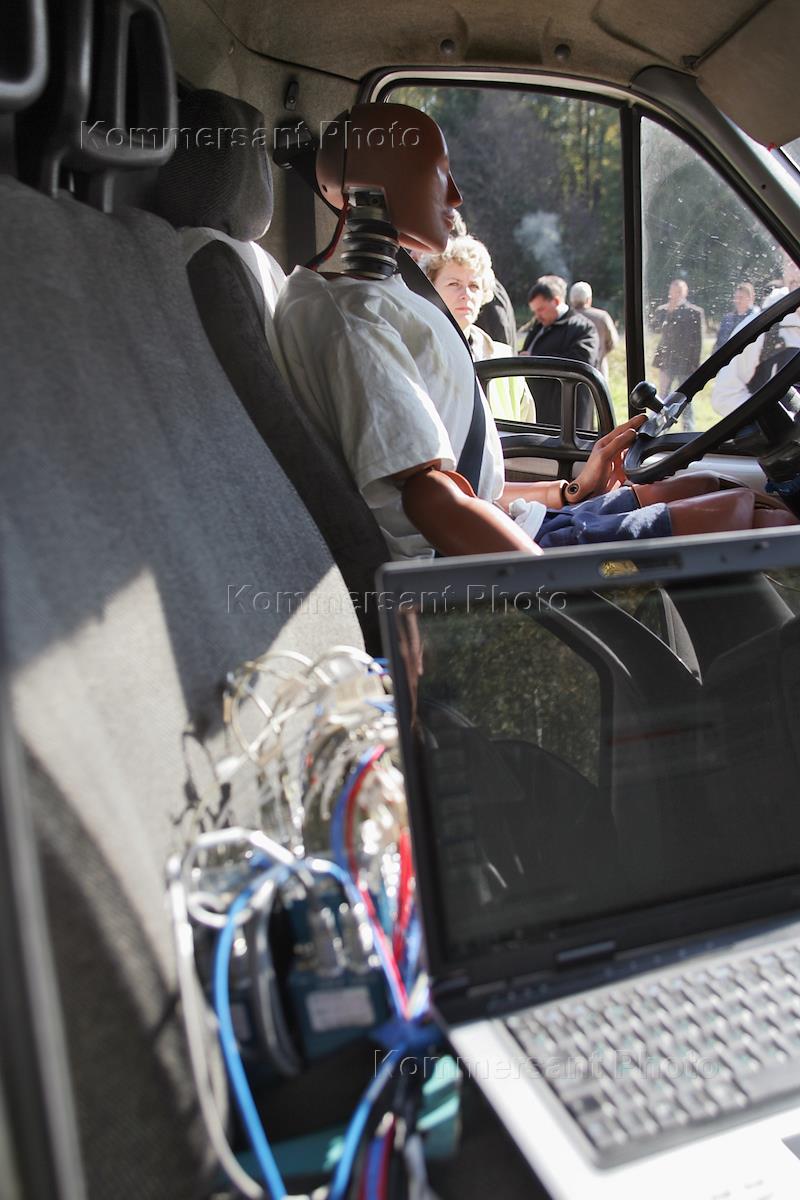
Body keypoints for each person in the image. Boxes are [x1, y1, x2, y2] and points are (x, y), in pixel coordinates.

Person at [273, 102, 793, 562]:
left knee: (709, 484)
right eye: (440, 173)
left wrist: (573, 490)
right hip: (469, 567)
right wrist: (545, 592)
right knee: (744, 514)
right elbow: (430, 502)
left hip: (514, 524)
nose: (455, 195)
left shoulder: (381, 298)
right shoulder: (353, 318)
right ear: (380, 183)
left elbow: (466, 491)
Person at [421, 234, 535, 422]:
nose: (466, 294)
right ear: (430, 288)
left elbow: (527, 427)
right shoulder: (413, 350)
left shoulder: (504, 357)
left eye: (474, 286)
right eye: (454, 284)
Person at [519, 276, 599, 426]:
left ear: (556, 301)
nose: (537, 316)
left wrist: (535, 359)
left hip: (567, 418)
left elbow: (580, 363)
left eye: (541, 309)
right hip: (539, 413)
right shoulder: (538, 327)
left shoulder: (583, 328)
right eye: (535, 311)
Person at [652, 279, 705, 431]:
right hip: (667, 361)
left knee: (686, 399)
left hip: (686, 363)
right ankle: (659, 429)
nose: (675, 294)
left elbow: (698, 341)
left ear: (685, 293)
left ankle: (688, 429)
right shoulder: (663, 310)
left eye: (679, 291)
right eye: (673, 291)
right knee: (662, 398)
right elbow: (655, 328)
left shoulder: (694, 312)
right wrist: (669, 312)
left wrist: (695, 365)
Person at [568, 281, 619, 378]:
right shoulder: (601, 317)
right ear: (589, 299)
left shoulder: (565, 318)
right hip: (597, 372)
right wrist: (601, 352)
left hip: (570, 373)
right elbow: (613, 342)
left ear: (571, 299)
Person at [713, 282, 759, 353]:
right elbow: (719, 343)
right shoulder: (727, 319)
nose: (737, 300)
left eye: (741, 297)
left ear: (750, 298)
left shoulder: (755, 318)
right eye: (736, 297)